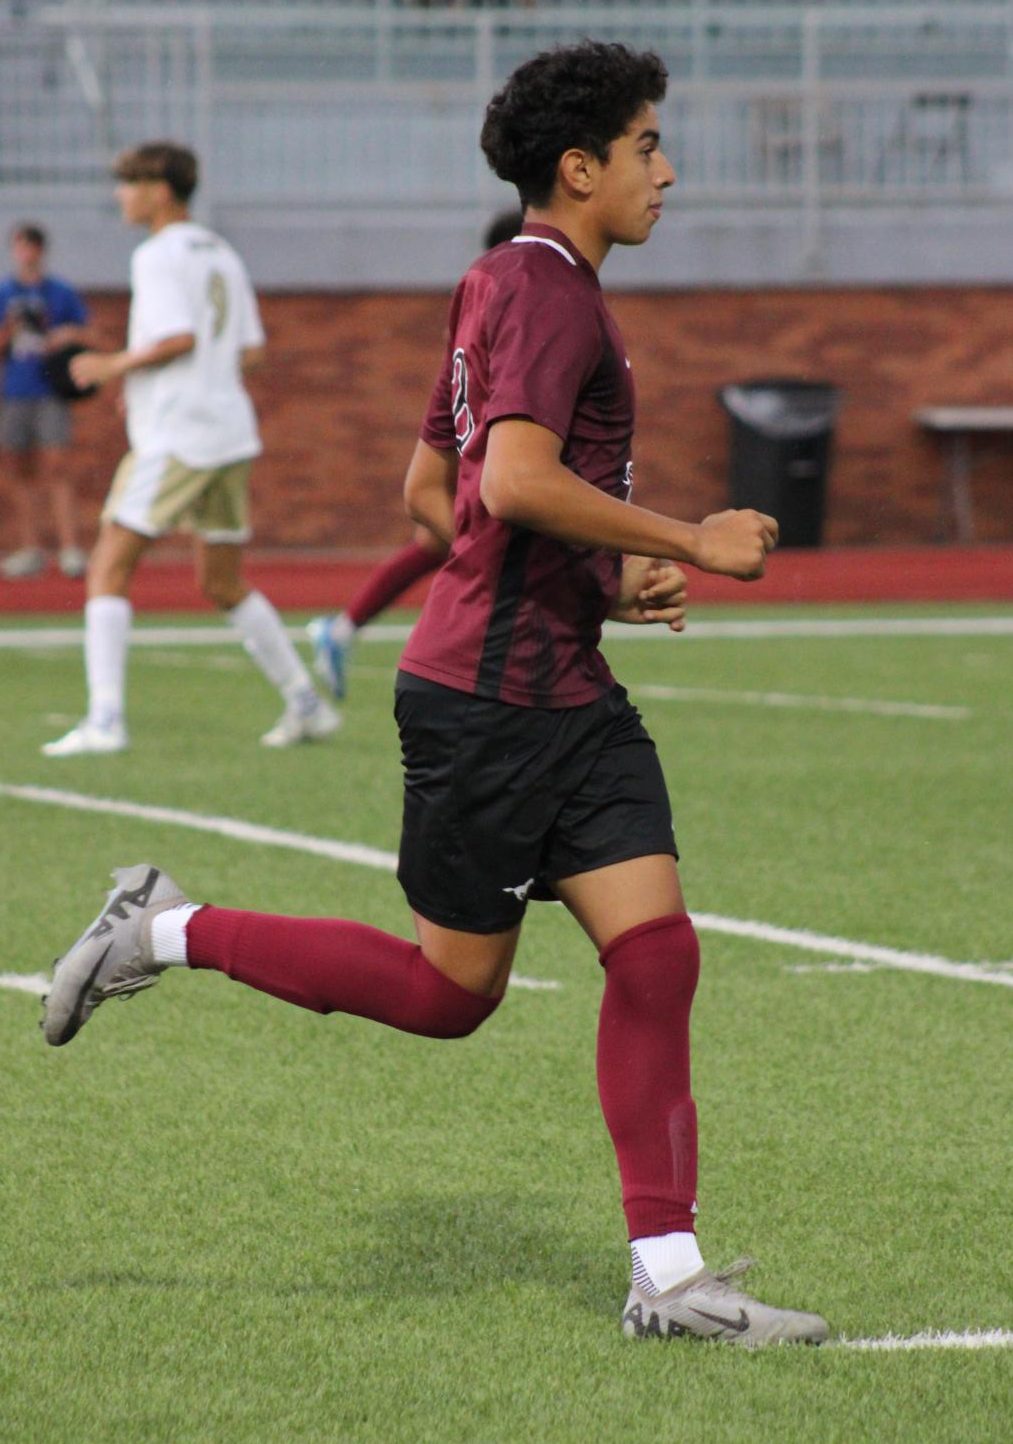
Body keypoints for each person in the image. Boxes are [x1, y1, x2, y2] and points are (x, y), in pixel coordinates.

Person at [41, 46, 828, 1346]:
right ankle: (162, 929)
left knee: (658, 952)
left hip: (562, 684)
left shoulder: (508, 283)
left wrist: (599, 588)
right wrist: (688, 538)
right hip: (488, 701)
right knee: (449, 994)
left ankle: (672, 1278)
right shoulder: (549, 292)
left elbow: (437, 492)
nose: (665, 169)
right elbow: (508, 485)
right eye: (644, 146)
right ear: (579, 168)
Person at [41, 142, 338, 756]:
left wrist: (113, 366)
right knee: (222, 580)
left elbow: (177, 337)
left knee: (108, 564)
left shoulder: (156, 254)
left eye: (128, 183)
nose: (120, 195)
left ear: (159, 188)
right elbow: (249, 350)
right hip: (229, 431)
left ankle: (105, 720)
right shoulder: (220, 252)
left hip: (179, 435)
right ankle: (306, 703)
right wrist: (155, 380)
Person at [307, 208, 524, 699]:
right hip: (485, 450)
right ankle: (357, 633)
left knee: (438, 546)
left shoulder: (482, 294)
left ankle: (343, 629)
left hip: (476, 446)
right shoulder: (505, 297)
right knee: (475, 554)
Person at [0, 223, 91, 579]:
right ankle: (30, 548)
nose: (27, 254)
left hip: (50, 390)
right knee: (17, 470)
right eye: (20, 247)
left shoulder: (60, 292)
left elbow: (88, 332)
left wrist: (64, 334)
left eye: (32, 247)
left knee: (57, 467)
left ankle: (70, 548)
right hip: (15, 391)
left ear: (41, 251)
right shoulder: (6, 292)